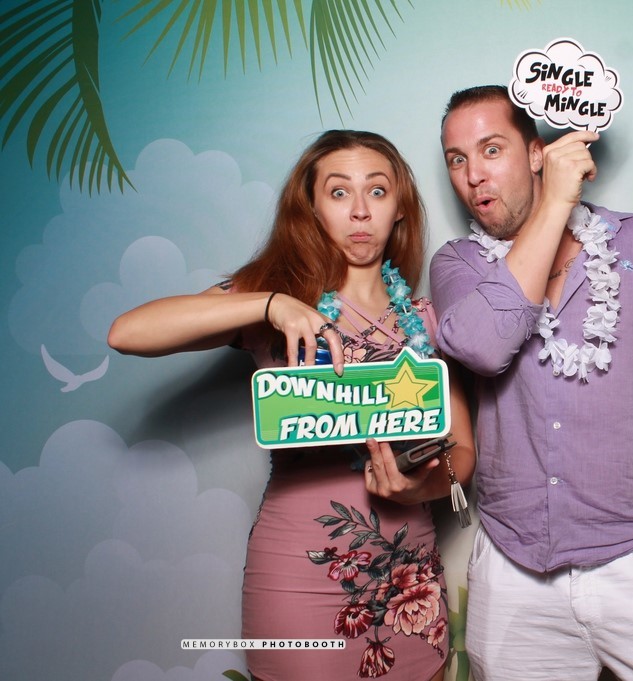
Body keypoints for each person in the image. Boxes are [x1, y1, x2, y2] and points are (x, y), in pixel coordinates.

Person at [108, 130, 475, 681]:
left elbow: (462, 453)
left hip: (408, 582)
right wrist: (270, 302)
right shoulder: (278, 305)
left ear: (399, 207)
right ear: (312, 208)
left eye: (377, 191)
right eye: (338, 192)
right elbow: (127, 333)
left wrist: (418, 488)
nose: (359, 210)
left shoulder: (424, 320)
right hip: (296, 576)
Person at [429, 85, 633, 680]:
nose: (474, 174)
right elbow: (482, 347)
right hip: (514, 572)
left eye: (492, 149)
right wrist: (556, 203)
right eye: (457, 159)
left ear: (537, 153)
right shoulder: (459, 264)